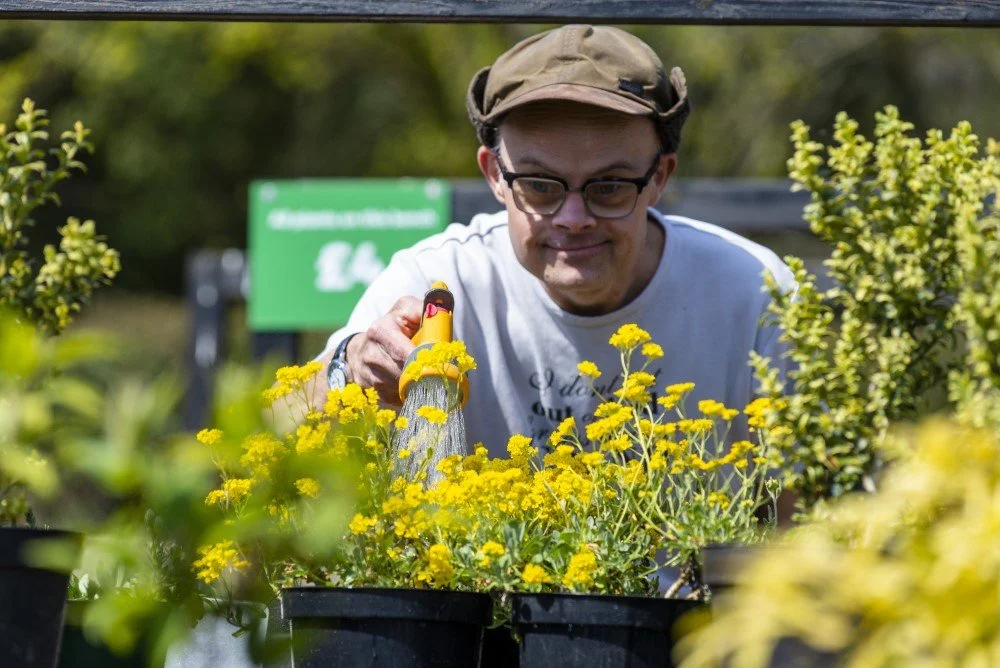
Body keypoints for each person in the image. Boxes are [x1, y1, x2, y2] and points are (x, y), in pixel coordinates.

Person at [310, 24, 795, 455]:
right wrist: (349, 369)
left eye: (609, 186)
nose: (574, 218)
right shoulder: (437, 281)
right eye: (540, 185)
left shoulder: (753, 289)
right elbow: (282, 423)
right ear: (495, 175)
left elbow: (806, 504)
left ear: (660, 177)